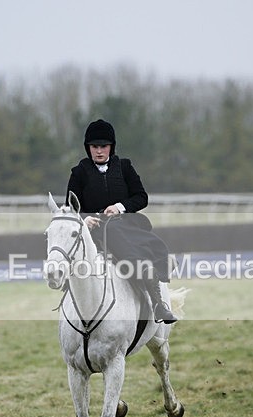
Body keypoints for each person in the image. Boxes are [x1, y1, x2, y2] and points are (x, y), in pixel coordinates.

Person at [66, 119, 177, 323]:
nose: (99, 151)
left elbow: (141, 197)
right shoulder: (79, 172)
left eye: (103, 146)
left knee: (139, 239)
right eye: (94, 146)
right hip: (93, 230)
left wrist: (119, 207)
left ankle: (158, 304)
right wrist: (84, 219)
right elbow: (70, 207)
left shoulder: (124, 167)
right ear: (88, 148)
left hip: (125, 224)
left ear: (111, 147)